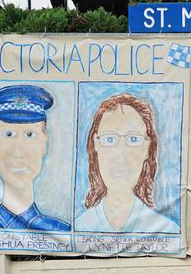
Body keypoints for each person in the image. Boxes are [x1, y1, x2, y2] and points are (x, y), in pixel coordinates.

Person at [0, 85, 70, 231]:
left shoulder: (62, 231)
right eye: (8, 134)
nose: (18, 151)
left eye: (30, 134)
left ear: (45, 143)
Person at [76, 93, 178, 233]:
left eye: (133, 139)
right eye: (109, 139)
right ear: (95, 145)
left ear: (147, 149)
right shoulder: (79, 227)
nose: (120, 155)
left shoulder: (166, 230)